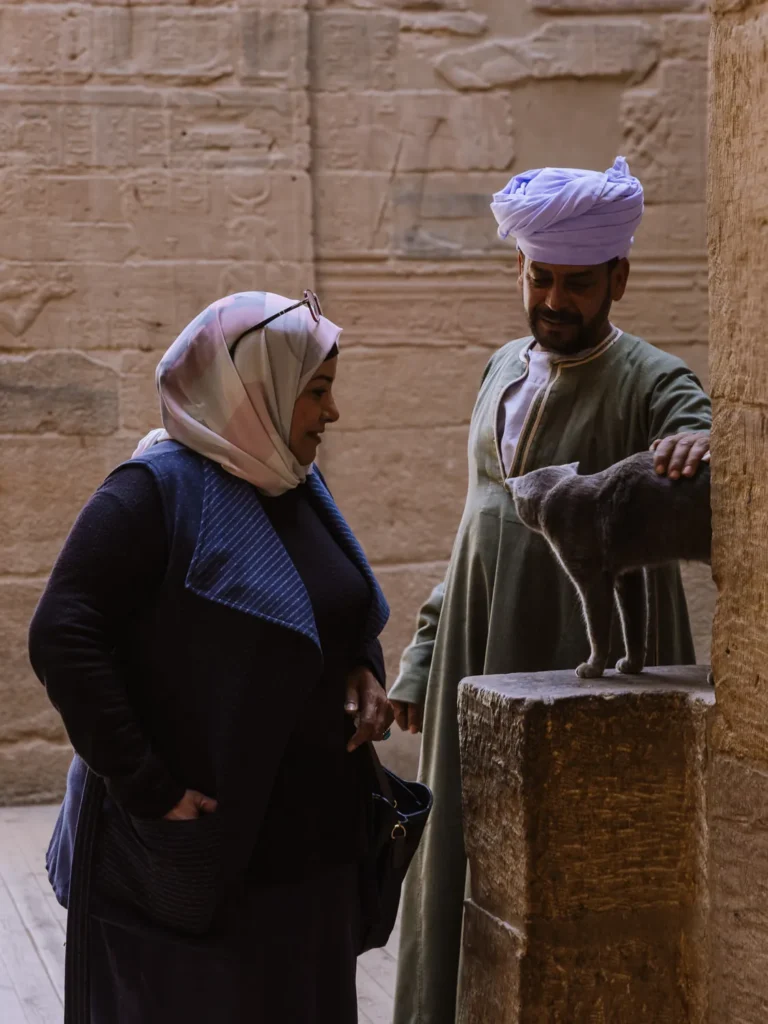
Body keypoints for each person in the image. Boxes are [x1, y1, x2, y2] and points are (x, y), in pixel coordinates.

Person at [388, 157, 712, 1024]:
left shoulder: (646, 374)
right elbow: (472, 527)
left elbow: (692, 416)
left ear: (619, 279)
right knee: (461, 854)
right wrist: (424, 655)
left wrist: (692, 441)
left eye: (577, 283)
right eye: (540, 279)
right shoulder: (499, 368)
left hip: (587, 655)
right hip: (476, 641)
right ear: (520, 271)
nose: (555, 301)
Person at [29, 290, 394, 1024]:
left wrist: (362, 669)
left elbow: (330, 608)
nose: (332, 413)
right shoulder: (150, 496)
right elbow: (62, 635)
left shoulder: (289, 480)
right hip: (197, 867)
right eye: (315, 392)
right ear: (254, 392)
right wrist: (149, 785)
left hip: (308, 856)